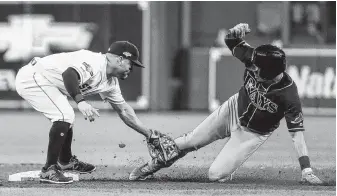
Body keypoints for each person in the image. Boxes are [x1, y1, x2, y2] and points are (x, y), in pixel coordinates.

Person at [129, 23, 323, 185]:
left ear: (272, 73)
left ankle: (226, 169)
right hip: (232, 109)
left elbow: (296, 134)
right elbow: (231, 41)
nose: (252, 68)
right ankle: (151, 166)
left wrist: (306, 169)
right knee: (190, 141)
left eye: (258, 68)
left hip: (252, 133)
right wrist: (234, 32)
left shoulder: (288, 94)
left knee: (215, 175)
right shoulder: (253, 57)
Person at [15, 41, 157, 184]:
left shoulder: (111, 83)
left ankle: (65, 161)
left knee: (66, 115)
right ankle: (48, 170)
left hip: (48, 82)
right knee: (64, 115)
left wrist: (149, 134)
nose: (131, 69)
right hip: (33, 77)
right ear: (119, 59)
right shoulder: (95, 63)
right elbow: (69, 74)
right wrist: (81, 101)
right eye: (130, 64)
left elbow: (124, 110)